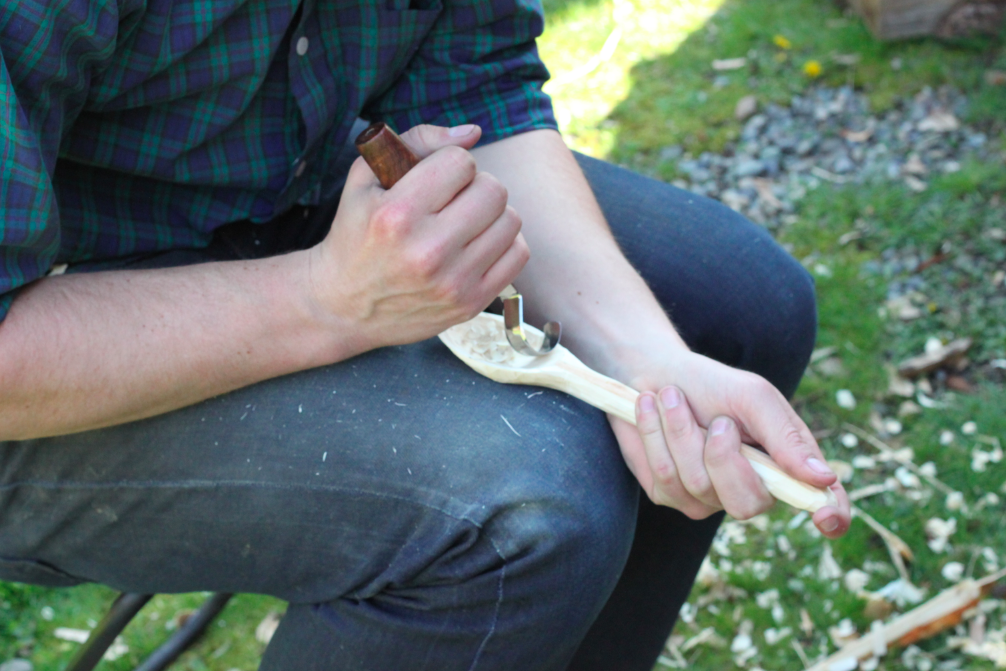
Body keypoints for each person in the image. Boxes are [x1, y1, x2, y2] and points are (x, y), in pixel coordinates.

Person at [0, 0, 850, 668]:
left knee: (741, 311)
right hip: (44, 359)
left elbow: (478, 83)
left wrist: (647, 367)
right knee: (525, 506)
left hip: (297, 188)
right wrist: (324, 301)